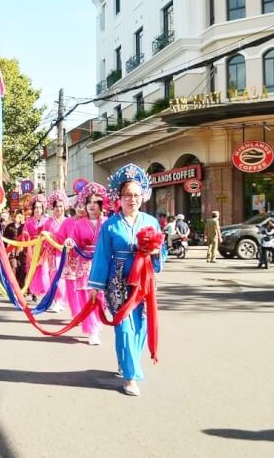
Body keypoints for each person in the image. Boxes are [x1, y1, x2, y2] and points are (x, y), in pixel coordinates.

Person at [89, 164, 167, 396]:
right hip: (118, 281)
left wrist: (154, 253)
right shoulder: (110, 225)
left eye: (136, 195)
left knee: (139, 326)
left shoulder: (151, 222)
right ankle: (131, 377)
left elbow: (162, 251)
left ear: (143, 196)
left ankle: (127, 361)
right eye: (127, 195)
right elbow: (101, 255)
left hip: (143, 281)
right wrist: (95, 286)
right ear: (119, 198)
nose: (132, 199)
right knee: (123, 326)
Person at [64, 182, 108, 345]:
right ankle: (92, 329)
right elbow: (73, 241)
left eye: (96, 202)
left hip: (102, 264)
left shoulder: (107, 223)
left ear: (101, 205)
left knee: (101, 297)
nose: (91, 206)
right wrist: (70, 241)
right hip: (84, 265)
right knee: (86, 296)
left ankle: (97, 322)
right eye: (89, 202)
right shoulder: (78, 224)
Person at [44, 190, 69, 313]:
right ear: (52, 208)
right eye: (56, 207)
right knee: (54, 277)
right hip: (53, 253)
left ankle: (61, 300)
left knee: (64, 278)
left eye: (60, 206)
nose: (58, 209)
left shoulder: (68, 221)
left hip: (66, 254)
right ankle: (56, 300)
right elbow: (43, 239)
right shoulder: (48, 222)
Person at [22, 194, 50, 300]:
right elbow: (25, 233)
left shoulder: (47, 220)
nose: (38, 210)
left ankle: (44, 291)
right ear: (33, 209)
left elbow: (50, 233)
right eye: (36, 208)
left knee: (44, 270)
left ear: (43, 209)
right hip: (32, 248)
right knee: (32, 270)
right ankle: (34, 291)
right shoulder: (29, 221)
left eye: (40, 207)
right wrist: (27, 237)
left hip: (44, 248)